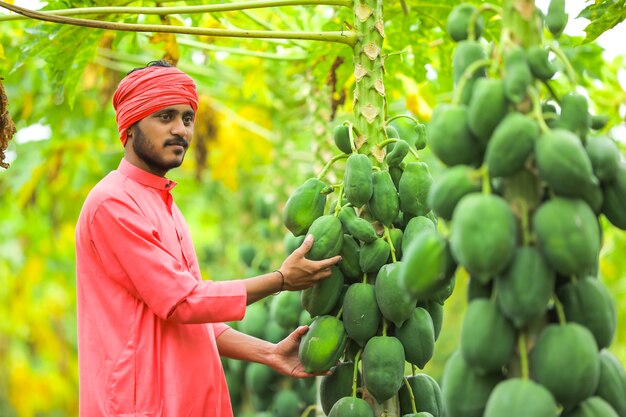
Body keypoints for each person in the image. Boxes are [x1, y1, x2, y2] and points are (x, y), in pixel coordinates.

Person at [74, 60, 341, 417]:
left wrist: (269, 353)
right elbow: (182, 302)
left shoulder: (165, 204)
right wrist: (281, 280)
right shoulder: (112, 203)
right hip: (141, 406)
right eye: (165, 117)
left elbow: (199, 319)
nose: (180, 130)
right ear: (131, 125)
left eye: (187, 118)